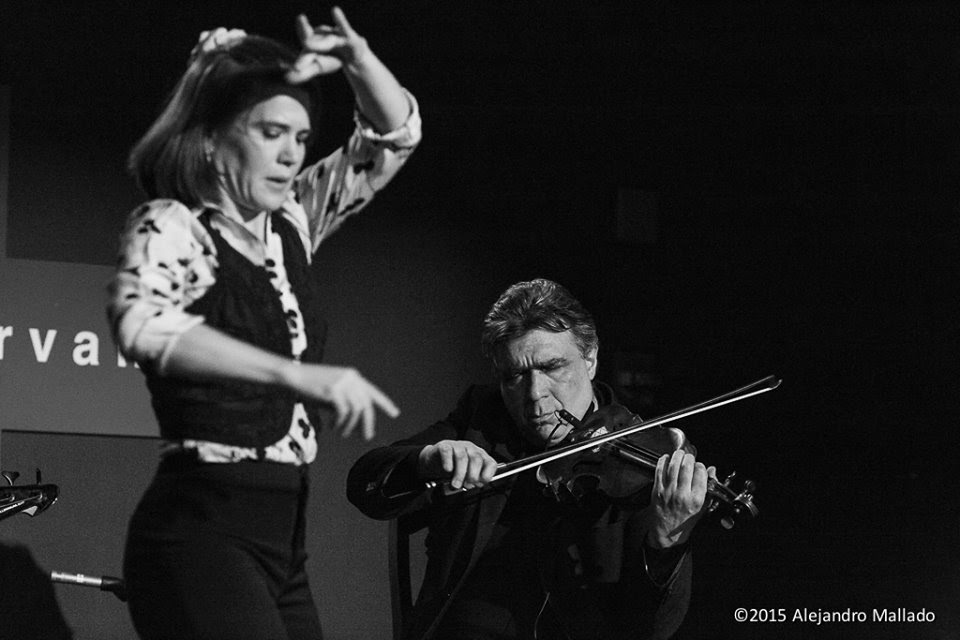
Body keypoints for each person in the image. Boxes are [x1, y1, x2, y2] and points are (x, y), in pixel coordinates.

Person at [107, 8, 420, 639]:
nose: (290, 154)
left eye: (300, 138)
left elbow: (393, 139)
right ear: (211, 137)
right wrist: (294, 376)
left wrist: (357, 59)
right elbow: (142, 322)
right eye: (271, 133)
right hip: (201, 530)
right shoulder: (173, 225)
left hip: (283, 540)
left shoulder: (292, 221)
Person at [347, 279, 715, 640]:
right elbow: (366, 483)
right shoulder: (482, 419)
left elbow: (652, 628)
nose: (535, 394)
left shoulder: (645, 455)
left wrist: (666, 539)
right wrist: (426, 460)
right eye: (515, 376)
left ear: (590, 359)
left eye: (552, 367)